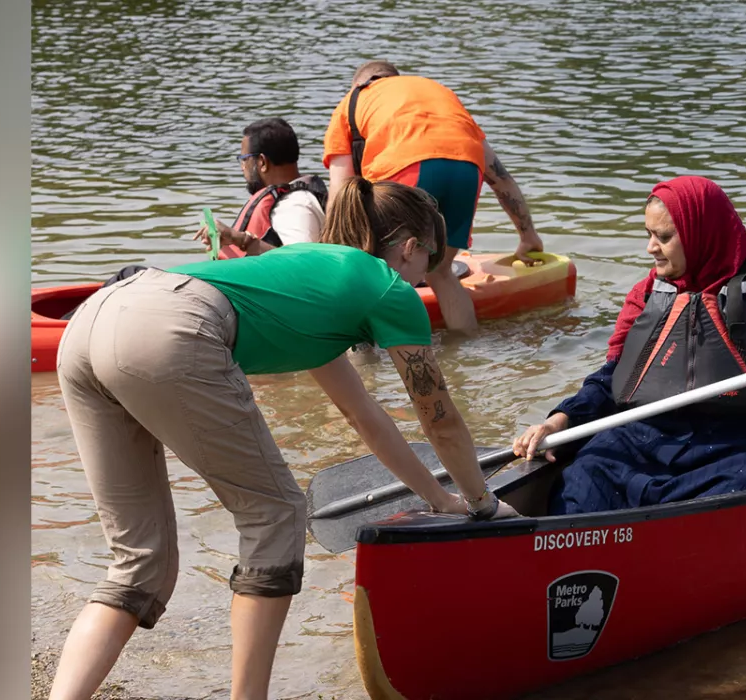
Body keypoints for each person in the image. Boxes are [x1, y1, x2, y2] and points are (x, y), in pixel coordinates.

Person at [46, 178, 515, 700]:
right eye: (430, 261)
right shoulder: (390, 288)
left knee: (139, 562)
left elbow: (364, 416)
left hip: (92, 322)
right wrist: (483, 503)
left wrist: (441, 500)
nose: (425, 277)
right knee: (275, 515)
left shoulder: (316, 274)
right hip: (170, 326)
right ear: (410, 248)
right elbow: (440, 420)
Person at [509, 176, 746, 515]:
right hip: (653, 437)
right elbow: (614, 378)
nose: (651, 248)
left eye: (664, 237)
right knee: (585, 475)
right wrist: (560, 420)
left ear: (700, 233)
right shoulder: (646, 294)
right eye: (648, 235)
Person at [323, 59, 547, 333]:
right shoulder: (437, 92)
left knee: (373, 274)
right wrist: (528, 236)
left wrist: (331, 259)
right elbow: (501, 178)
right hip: (466, 167)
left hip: (404, 166)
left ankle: (371, 355)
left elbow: (340, 192)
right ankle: (465, 349)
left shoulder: (352, 101)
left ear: (358, 84)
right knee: (440, 271)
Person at [195, 118, 329, 257]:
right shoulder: (299, 198)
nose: (242, 167)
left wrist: (240, 239)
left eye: (244, 159)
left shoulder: (293, 205)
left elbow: (301, 262)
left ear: (262, 162)